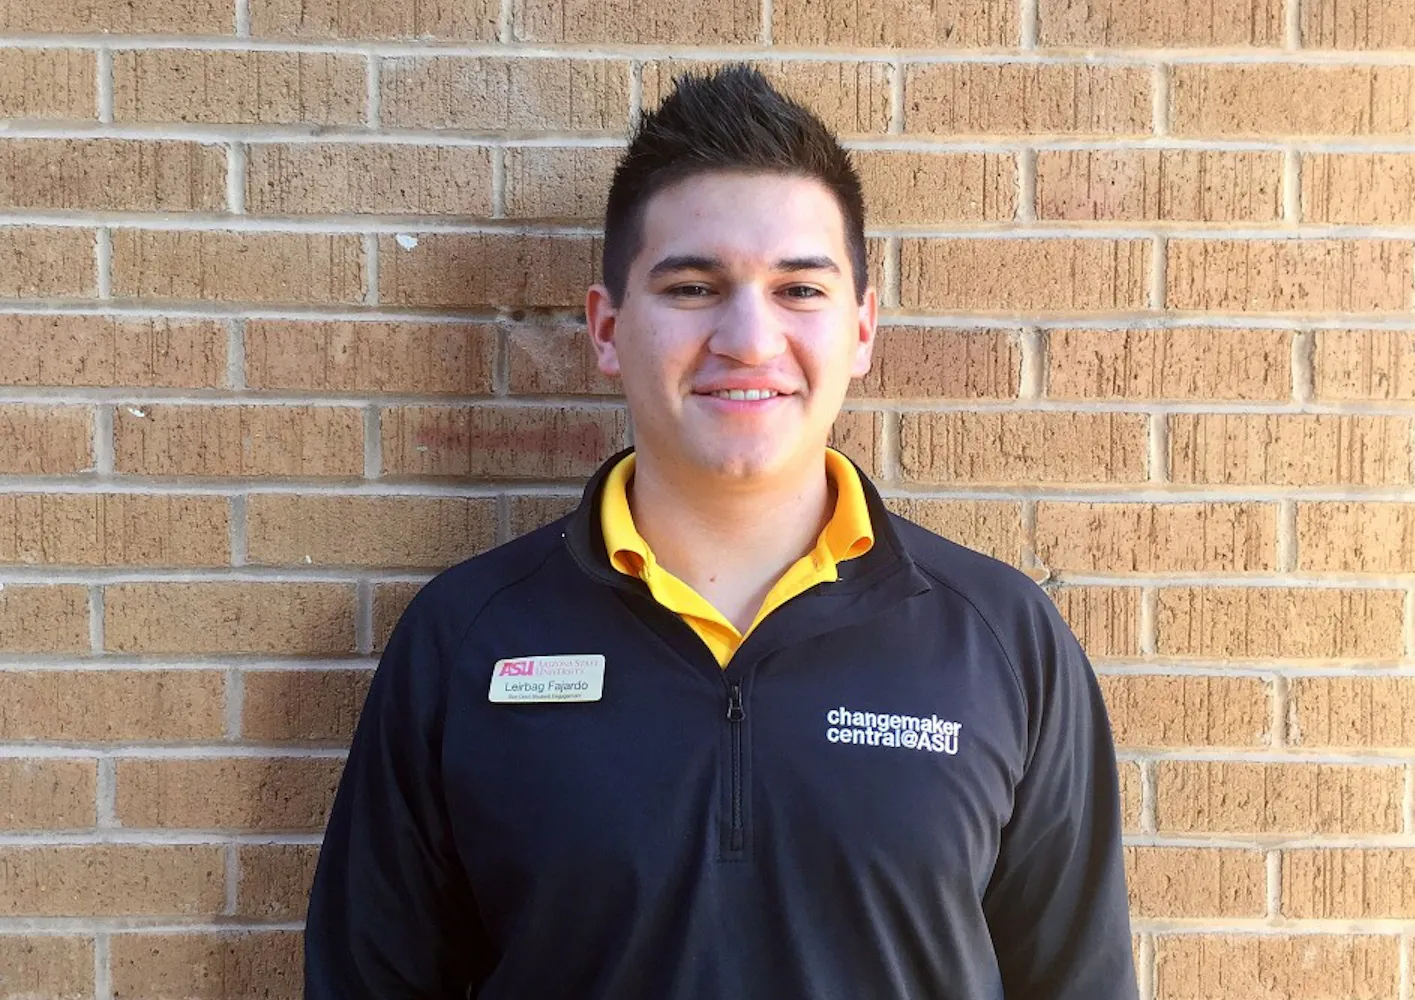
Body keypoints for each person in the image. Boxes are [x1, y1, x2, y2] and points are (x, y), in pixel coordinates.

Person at [305, 65, 1137, 999]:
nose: (748, 337)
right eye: (695, 287)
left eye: (799, 289)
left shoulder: (1002, 643)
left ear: (861, 329)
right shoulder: (463, 642)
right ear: (608, 327)